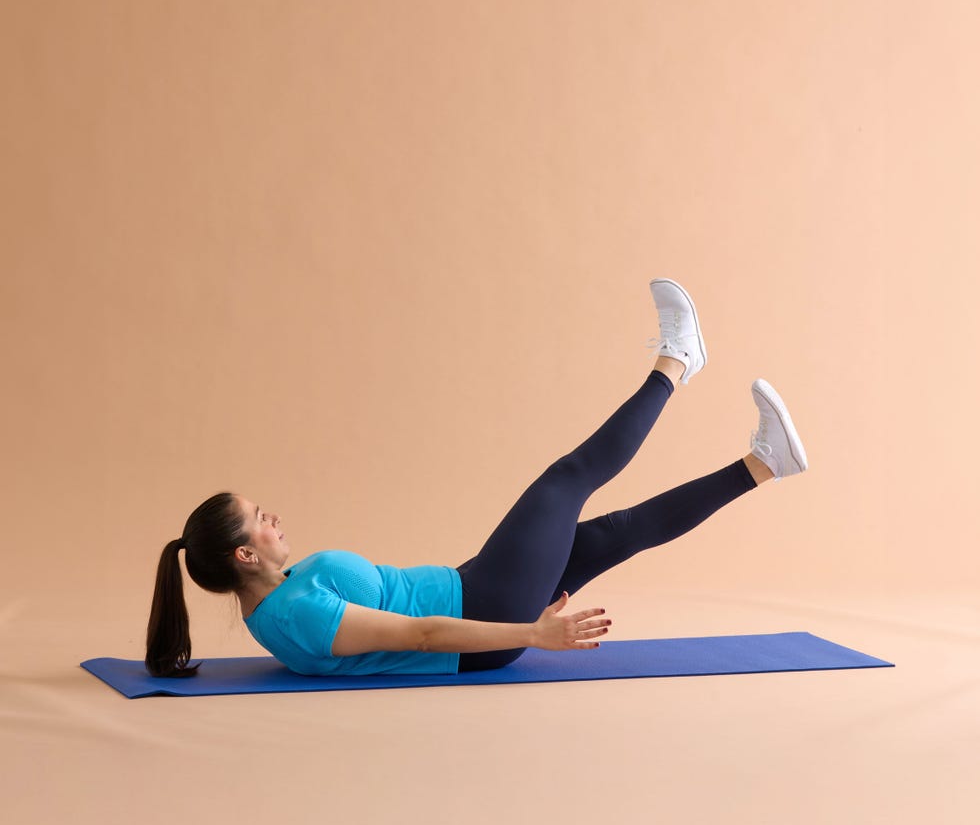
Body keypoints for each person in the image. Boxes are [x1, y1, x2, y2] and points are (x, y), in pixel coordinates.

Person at [145, 278, 808, 679]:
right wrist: (533, 635)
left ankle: (764, 462)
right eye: (259, 519)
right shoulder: (297, 614)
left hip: (477, 592)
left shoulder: (275, 601)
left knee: (614, 532)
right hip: (484, 612)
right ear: (243, 554)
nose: (273, 518)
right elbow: (422, 636)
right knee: (566, 480)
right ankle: (677, 360)